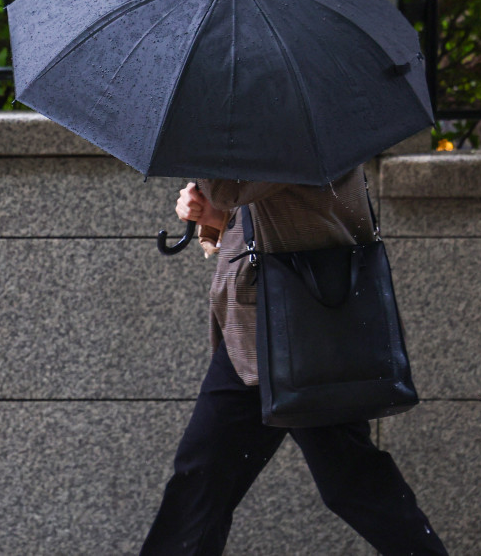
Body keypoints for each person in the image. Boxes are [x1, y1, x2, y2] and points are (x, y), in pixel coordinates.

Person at [140, 169, 447, 555]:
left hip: (304, 333)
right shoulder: (273, 144)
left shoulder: (297, 142)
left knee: (353, 483)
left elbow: (231, 188)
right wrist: (213, 217)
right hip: (253, 337)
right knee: (203, 477)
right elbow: (255, 205)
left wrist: (206, 187)